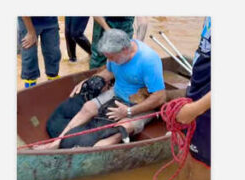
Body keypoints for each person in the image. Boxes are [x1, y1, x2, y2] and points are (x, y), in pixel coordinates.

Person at [37, 29, 166, 150]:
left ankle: (93, 152)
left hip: (140, 103)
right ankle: (56, 143)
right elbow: (108, 73)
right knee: (88, 107)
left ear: (125, 50)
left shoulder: (148, 60)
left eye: (112, 58)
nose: (110, 61)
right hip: (117, 92)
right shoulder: (116, 55)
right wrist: (87, 81)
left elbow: (160, 97)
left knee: (122, 128)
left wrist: (129, 111)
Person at [175, 16, 211, 180]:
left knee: (202, 162)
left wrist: (195, 109)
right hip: (197, 90)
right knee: (189, 150)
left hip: (207, 106)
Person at [18, 16, 61, 88]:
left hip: (50, 19)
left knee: (53, 52)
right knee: (29, 55)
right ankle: (30, 84)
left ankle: (53, 79)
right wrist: (31, 32)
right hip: (29, 20)